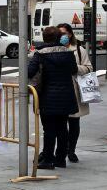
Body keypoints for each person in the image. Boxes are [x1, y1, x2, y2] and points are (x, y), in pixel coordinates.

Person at [28, 26, 79, 170]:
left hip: (47, 96)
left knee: (49, 129)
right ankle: (60, 159)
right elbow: (74, 70)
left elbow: (30, 72)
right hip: (65, 96)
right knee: (63, 128)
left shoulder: (40, 54)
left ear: (44, 38)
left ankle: (48, 160)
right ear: (58, 38)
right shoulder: (68, 53)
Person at [58, 22, 92, 163]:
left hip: (74, 89)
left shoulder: (79, 49)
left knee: (74, 122)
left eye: (64, 33)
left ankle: (71, 150)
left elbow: (88, 67)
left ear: (70, 34)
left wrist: (75, 68)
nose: (62, 37)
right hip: (59, 90)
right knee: (60, 124)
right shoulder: (54, 48)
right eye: (59, 34)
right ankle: (61, 150)